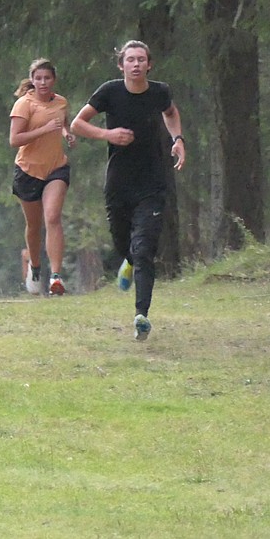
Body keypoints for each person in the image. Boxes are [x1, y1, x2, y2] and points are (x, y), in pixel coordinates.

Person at [70, 40, 185, 342]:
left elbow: (171, 113)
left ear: (149, 64)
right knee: (124, 243)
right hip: (119, 182)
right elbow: (78, 124)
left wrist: (178, 139)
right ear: (121, 65)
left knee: (145, 248)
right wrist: (107, 134)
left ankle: (141, 316)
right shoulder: (109, 92)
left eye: (141, 59)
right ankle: (128, 261)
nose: (136, 64)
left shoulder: (160, 92)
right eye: (130, 60)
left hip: (152, 182)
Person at [9, 58, 75, 296]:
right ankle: (35, 267)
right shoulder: (23, 105)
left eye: (47, 78)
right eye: (38, 78)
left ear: (53, 80)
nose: (43, 82)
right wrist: (44, 130)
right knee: (34, 226)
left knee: (53, 217)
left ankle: (56, 277)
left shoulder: (61, 102)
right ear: (33, 80)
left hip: (56, 168)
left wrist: (66, 133)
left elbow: (62, 121)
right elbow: (14, 139)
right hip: (28, 171)